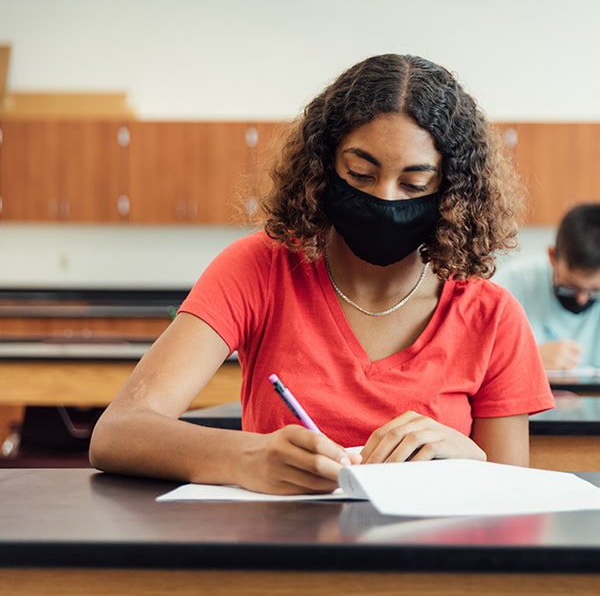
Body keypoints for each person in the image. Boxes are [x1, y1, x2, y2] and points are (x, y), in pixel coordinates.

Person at [90, 54, 555, 494]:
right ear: (323, 166)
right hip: (285, 561)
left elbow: (512, 495)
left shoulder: (492, 316)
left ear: (452, 191)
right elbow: (118, 432)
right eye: (360, 174)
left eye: (414, 184)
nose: (386, 199)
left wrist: (468, 457)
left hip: (428, 567)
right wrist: (247, 456)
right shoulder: (260, 268)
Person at [494, 203, 600, 370]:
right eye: (570, 287)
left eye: (595, 291)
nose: (582, 299)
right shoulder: (512, 284)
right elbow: (480, 364)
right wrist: (529, 358)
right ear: (552, 256)